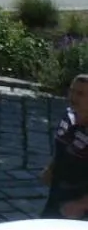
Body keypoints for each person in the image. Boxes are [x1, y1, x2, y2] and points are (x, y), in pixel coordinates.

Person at [40, 73, 88, 219]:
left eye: (80, 93)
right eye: (72, 91)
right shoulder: (69, 116)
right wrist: (51, 167)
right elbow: (63, 148)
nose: (73, 96)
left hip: (79, 202)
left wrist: (81, 205)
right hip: (58, 191)